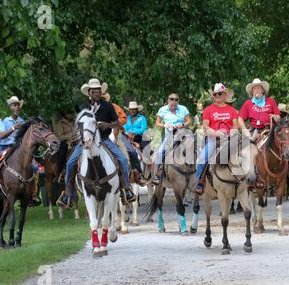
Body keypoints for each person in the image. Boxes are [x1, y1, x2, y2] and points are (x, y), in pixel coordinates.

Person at [56, 79, 135, 208]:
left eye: (99, 91)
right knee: (70, 163)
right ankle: (67, 193)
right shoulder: (83, 107)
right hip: (85, 142)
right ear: (89, 93)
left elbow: (116, 122)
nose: (97, 93)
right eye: (94, 91)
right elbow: (79, 124)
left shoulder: (108, 106)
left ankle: (126, 189)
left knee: (123, 159)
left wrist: (107, 125)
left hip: (104, 140)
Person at [0, 96, 40, 206]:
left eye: (18, 105)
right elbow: (2, 135)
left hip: (16, 149)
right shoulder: (1, 119)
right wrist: (14, 128)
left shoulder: (22, 121)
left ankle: (33, 194)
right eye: (14, 105)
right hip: (2, 147)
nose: (17, 107)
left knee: (34, 166)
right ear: (9, 107)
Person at [193, 83, 239, 194]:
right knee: (202, 158)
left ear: (225, 95)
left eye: (220, 93)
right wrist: (216, 132)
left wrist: (231, 133)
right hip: (214, 138)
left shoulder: (232, 110)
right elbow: (205, 126)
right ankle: (199, 182)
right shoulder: (208, 110)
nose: (217, 96)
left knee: (245, 154)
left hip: (229, 138)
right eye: (215, 94)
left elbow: (235, 125)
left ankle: (247, 179)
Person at [152, 93, 191, 185]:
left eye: (176, 101)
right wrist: (165, 125)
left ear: (178, 101)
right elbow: (157, 123)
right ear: (168, 100)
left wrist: (182, 125)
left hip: (182, 134)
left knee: (193, 148)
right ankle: (156, 174)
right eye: (171, 101)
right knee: (160, 152)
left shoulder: (183, 109)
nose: (173, 104)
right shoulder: (162, 110)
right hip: (169, 135)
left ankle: (195, 171)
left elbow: (189, 121)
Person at [115, 100, 147, 186]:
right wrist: (127, 132)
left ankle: (140, 173)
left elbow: (143, 128)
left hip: (138, 138)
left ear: (137, 110)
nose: (132, 111)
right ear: (129, 110)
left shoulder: (142, 118)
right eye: (131, 109)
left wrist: (133, 132)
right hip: (126, 138)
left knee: (140, 153)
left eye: (134, 109)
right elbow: (123, 128)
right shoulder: (126, 118)